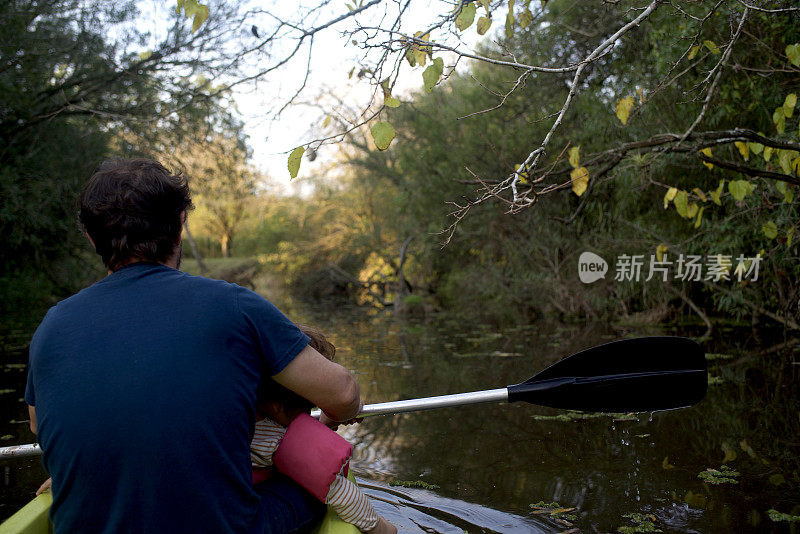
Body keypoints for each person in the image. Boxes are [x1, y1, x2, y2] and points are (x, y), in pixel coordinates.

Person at [25, 158, 362, 533]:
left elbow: (42, 427)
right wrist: (327, 420)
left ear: (91, 238)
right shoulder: (235, 306)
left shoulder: (51, 327)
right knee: (309, 480)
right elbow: (344, 394)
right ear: (181, 221)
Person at [251, 325, 396, 534]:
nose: (307, 416)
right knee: (316, 490)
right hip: (242, 520)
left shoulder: (232, 414)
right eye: (308, 408)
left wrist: (323, 426)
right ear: (278, 408)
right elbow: (338, 491)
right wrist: (381, 528)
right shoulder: (275, 438)